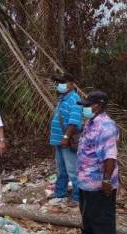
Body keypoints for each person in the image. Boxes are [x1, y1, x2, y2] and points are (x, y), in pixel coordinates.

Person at [76, 90, 119, 234]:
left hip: (99, 180)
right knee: (87, 211)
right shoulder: (91, 122)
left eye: (87, 106)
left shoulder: (106, 127)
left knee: (102, 215)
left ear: (98, 106)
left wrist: (107, 180)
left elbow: (110, 156)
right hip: (85, 178)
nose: (84, 109)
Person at [49, 74, 83, 206]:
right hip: (59, 140)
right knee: (61, 169)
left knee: (72, 170)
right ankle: (60, 193)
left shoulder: (74, 99)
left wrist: (65, 137)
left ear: (72, 83)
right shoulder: (63, 98)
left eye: (63, 82)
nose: (60, 84)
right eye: (59, 82)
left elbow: (73, 122)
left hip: (67, 141)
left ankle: (77, 198)